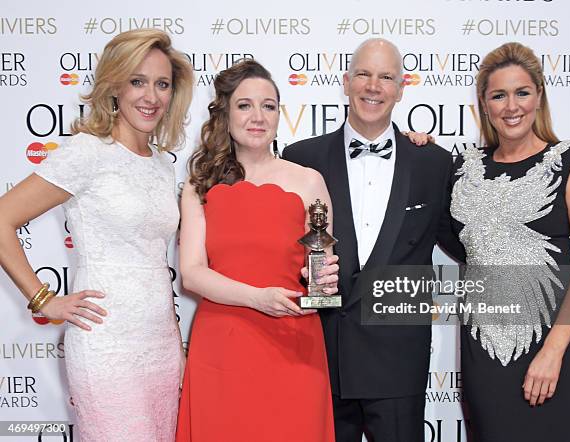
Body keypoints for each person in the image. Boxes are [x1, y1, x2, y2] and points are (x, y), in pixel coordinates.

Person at [0, 29, 194, 440]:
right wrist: (43, 300)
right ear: (114, 86)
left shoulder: (161, 164)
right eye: (137, 81)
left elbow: (155, 266)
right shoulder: (86, 153)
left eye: (162, 84)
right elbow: (2, 218)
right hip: (106, 348)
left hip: (160, 347)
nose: (151, 96)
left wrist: (176, 344)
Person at [283, 38, 464, 442]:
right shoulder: (300, 158)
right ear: (346, 82)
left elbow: (467, 241)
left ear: (401, 89)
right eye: (364, 74)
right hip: (320, 357)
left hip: (398, 362)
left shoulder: (433, 163)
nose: (373, 86)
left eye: (386, 77)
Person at [175, 59, 337, 441]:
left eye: (268, 105)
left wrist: (323, 286)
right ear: (225, 113)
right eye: (245, 105)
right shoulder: (199, 186)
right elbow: (193, 272)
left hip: (293, 343)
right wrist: (256, 297)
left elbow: (322, 266)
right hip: (224, 346)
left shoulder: (308, 181)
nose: (257, 116)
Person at [450, 42, 570, 441]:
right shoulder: (465, 168)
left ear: (539, 97)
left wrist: (553, 351)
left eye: (522, 93)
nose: (511, 106)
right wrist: (412, 144)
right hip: (484, 350)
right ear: (484, 104)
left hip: (555, 344)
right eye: (498, 95)